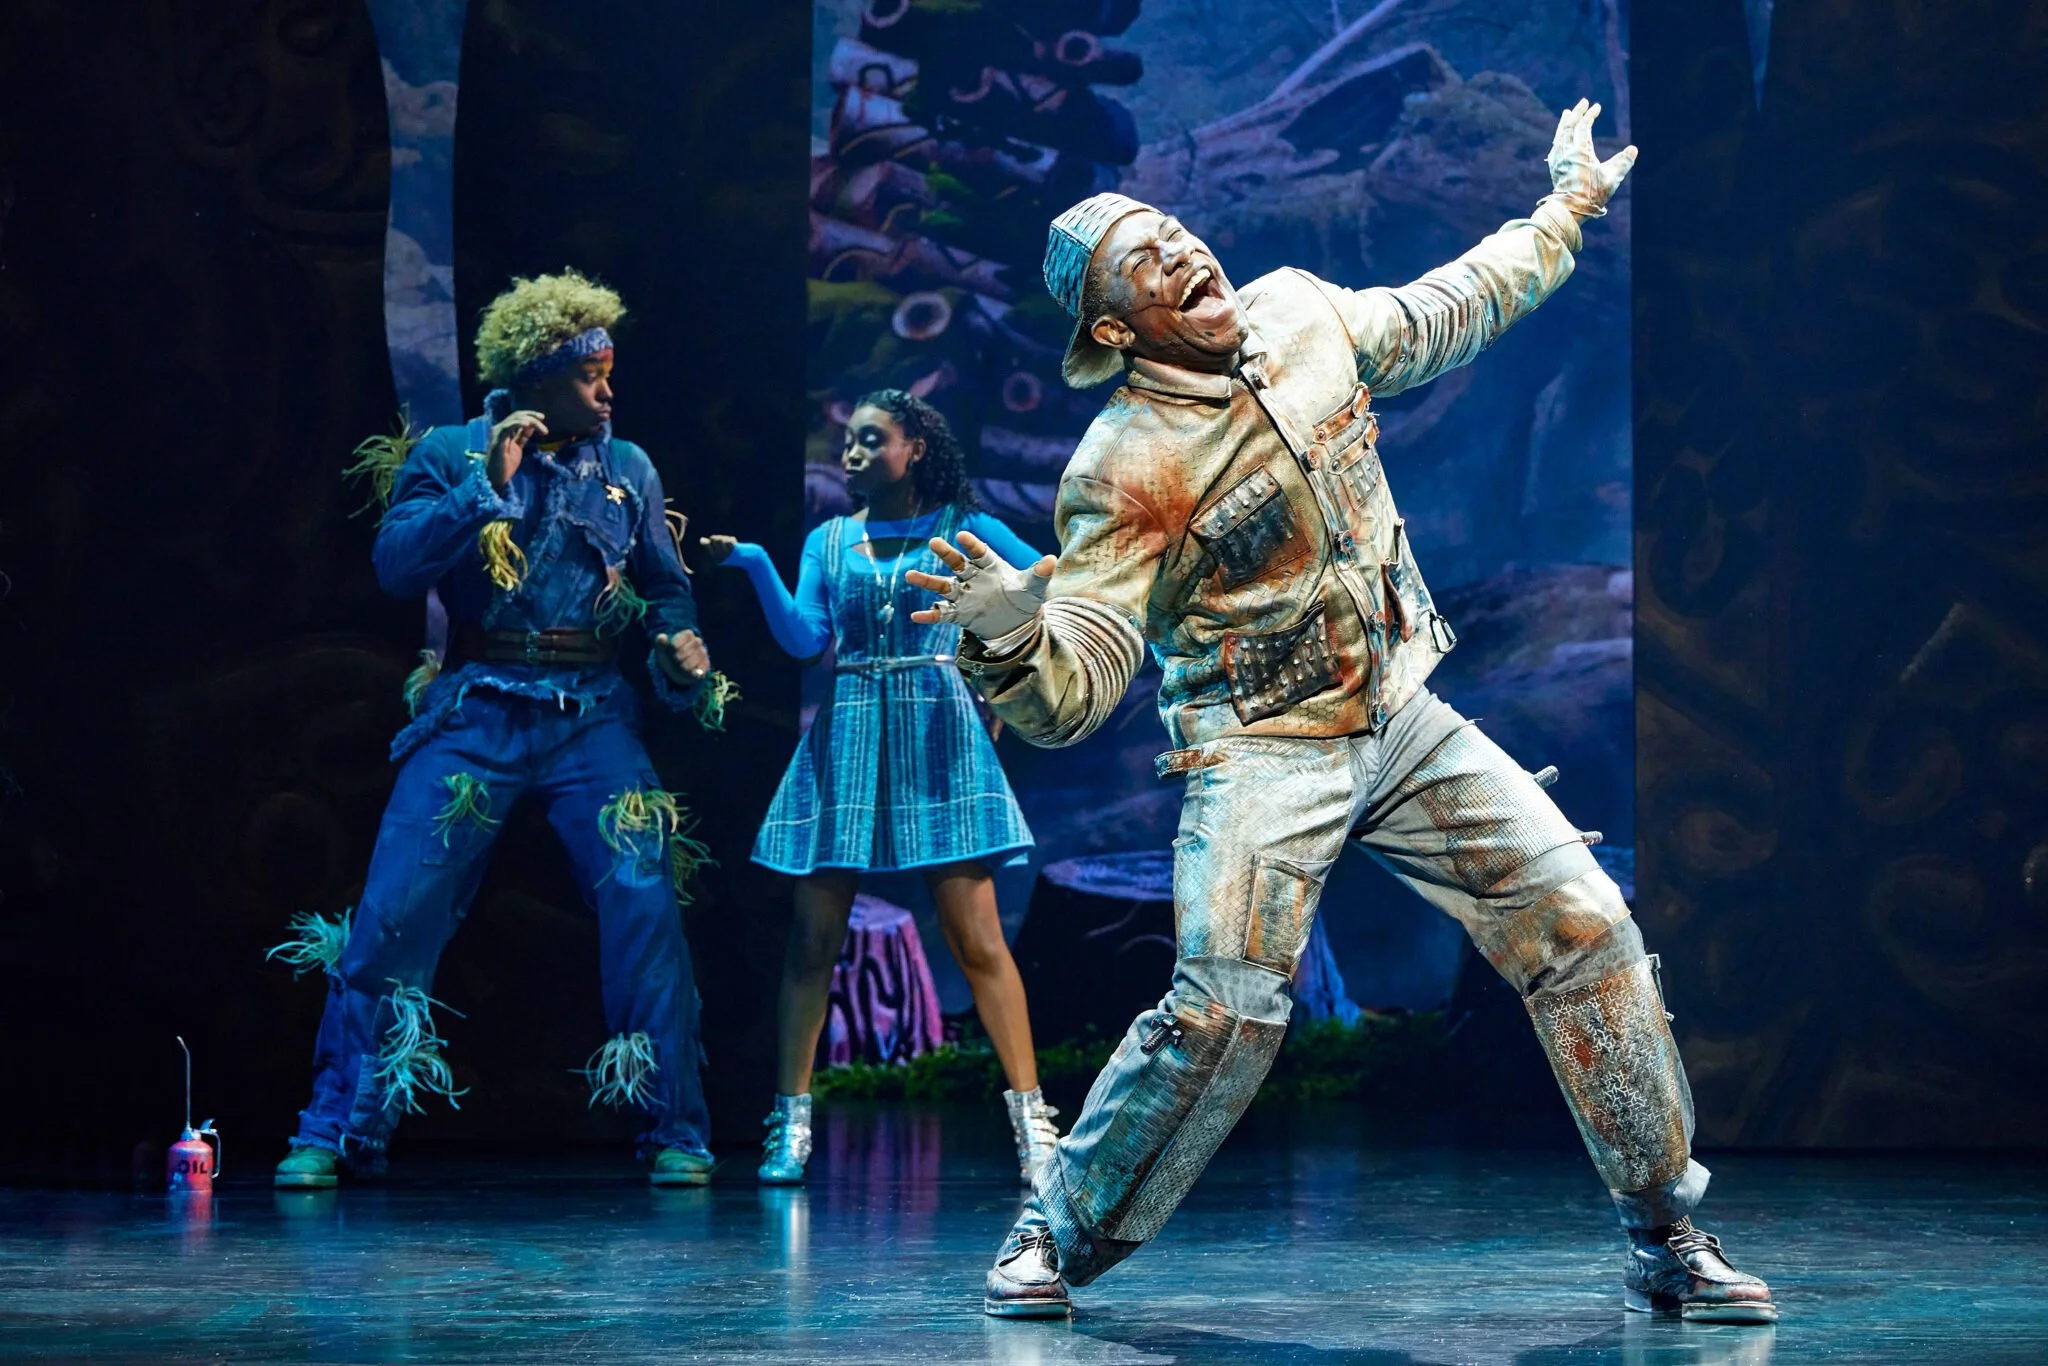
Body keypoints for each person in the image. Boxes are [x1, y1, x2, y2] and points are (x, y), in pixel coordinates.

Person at [910, 102, 1778, 1323]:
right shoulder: (1121, 464)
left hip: (1398, 715)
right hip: (1262, 748)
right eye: (1146, 262)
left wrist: (1562, 211)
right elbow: (1078, 685)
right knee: (1224, 1009)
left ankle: (1664, 1228)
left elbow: (1444, 308)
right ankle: (1056, 1228)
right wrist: (1011, 628)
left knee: (1582, 921)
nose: (1181, 254)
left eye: (1174, 232)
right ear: (1112, 328)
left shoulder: (1298, 314)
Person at [271, 270, 720, 1189]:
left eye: (608, 374)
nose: (608, 392)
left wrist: (679, 651)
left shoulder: (628, 469)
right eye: (591, 376)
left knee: (644, 904)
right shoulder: (450, 452)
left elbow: (666, 589)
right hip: (477, 709)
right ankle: (337, 1126)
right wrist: (484, 485)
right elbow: (395, 566)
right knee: (395, 911)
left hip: (590, 714)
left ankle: (674, 1127)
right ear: (540, 376)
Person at [701, 389, 1060, 1186]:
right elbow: (805, 639)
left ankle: (1034, 1125)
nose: (852, 453)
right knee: (812, 942)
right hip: (852, 730)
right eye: (848, 441)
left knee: (977, 940)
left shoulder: (960, 528)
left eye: (871, 439)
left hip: (937, 730)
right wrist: (753, 561)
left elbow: (1046, 582)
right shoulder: (830, 540)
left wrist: (1002, 658)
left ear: (914, 448)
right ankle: (790, 1123)